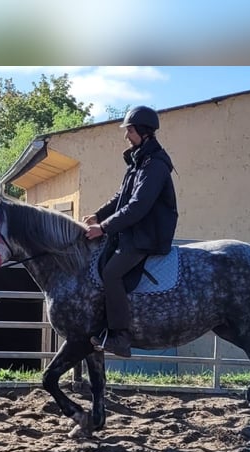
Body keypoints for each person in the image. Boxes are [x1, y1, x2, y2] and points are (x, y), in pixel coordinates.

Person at [83, 105, 178, 358]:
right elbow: (121, 196)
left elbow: (137, 206)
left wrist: (102, 228)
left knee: (112, 274)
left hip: (147, 235)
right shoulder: (140, 160)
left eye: (130, 130)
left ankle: (121, 337)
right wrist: (98, 214)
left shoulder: (155, 165)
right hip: (133, 232)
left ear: (143, 132)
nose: (126, 136)